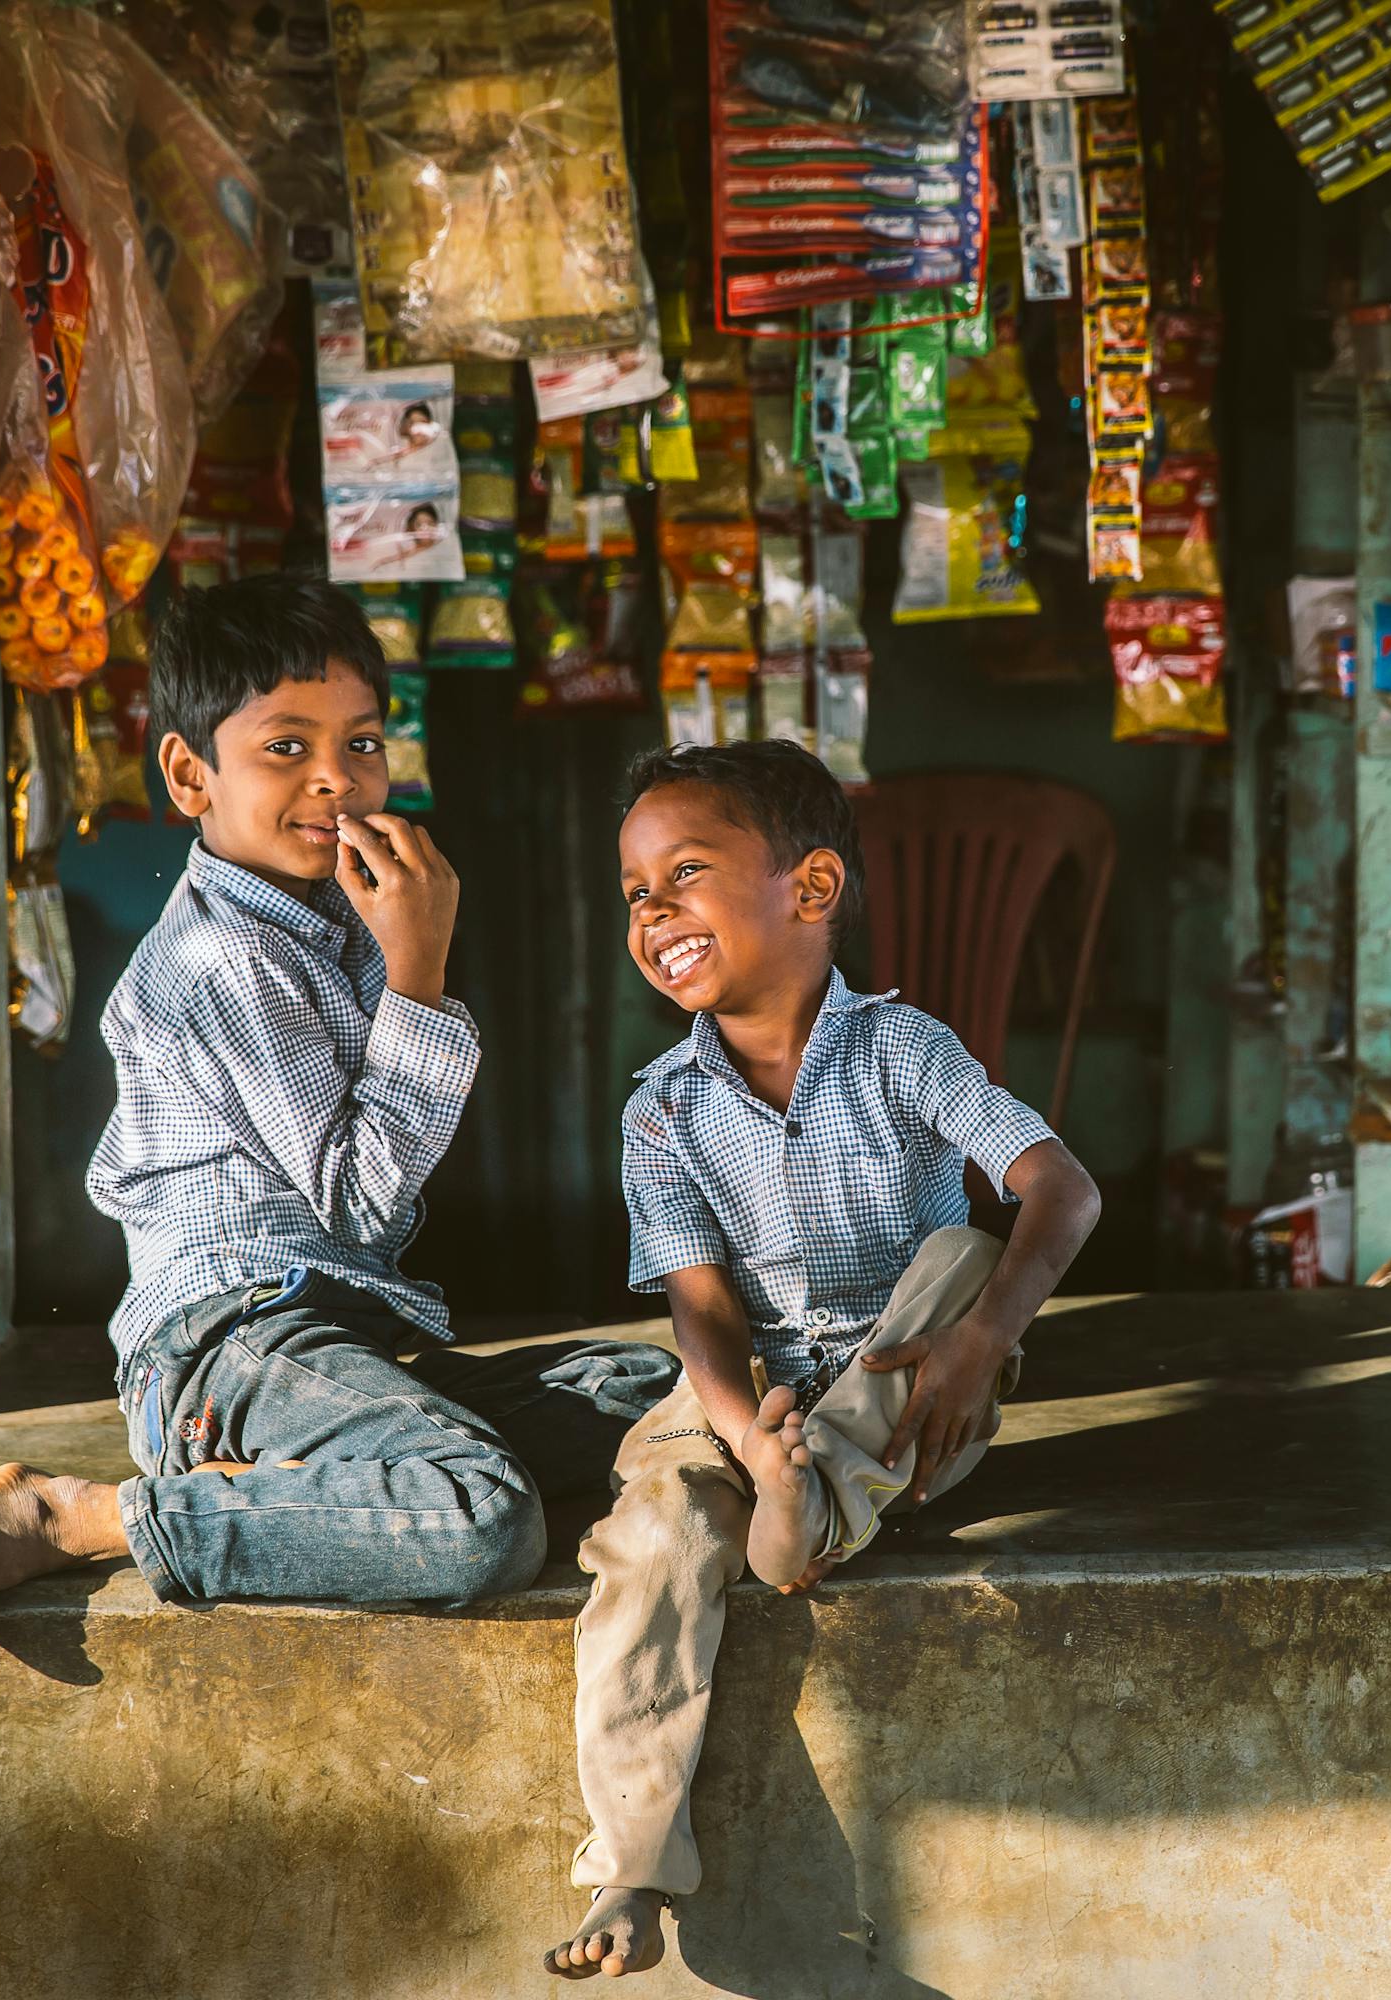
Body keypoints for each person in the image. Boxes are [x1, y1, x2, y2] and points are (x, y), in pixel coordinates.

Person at [0, 574, 675, 1654]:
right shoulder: (221, 958)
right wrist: (418, 969)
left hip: (329, 1337)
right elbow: (360, 1202)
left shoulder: (333, 915)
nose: (335, 778)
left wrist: (397, 954)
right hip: (227, 1350)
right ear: (188, 773)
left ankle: (304, 1484)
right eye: (286, 748)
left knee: (659, 1388)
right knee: (484, 1518)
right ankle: (84, 1515)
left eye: (362, 743)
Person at [547, 740, 1101, 1980]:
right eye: (635, 891)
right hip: (759, 1402)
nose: (652, 913)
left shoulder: (903, 1050)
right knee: (655, 1531)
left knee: (962, 1244)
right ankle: (630, 1866)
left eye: (684, 874)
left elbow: (1059, 1188)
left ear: (809, 889)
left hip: (908, 1375)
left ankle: (805, 1513)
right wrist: (741, 1433)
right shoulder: (661, 1108)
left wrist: (982, 1337)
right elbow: (699, 1306)